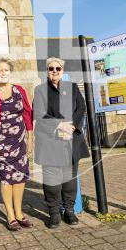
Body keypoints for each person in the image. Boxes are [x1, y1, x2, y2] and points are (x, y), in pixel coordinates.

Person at [33, 57, 90, 228]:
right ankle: (54, 213)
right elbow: (39, 113)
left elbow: (81, 108)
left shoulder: (72, 88)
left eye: (58, 68)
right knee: (52, 181)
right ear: (47, 71)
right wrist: (59, 125)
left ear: (62, 71)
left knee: (69, 179)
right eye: (51, 69)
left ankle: (69, 211)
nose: (55, 71)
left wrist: (71, 127)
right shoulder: (40, 90)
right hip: (50, 142)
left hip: (70, 140)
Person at [0, 57, 34, 231]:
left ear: (10, 72)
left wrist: (30, 139)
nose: (3, 73)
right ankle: (10, 216)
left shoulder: (19, 90)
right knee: (6, 179)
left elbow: (27, 115)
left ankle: (19, 213)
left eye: (5, 70)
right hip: (1, 143)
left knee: (20, 178)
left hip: (19, 141)